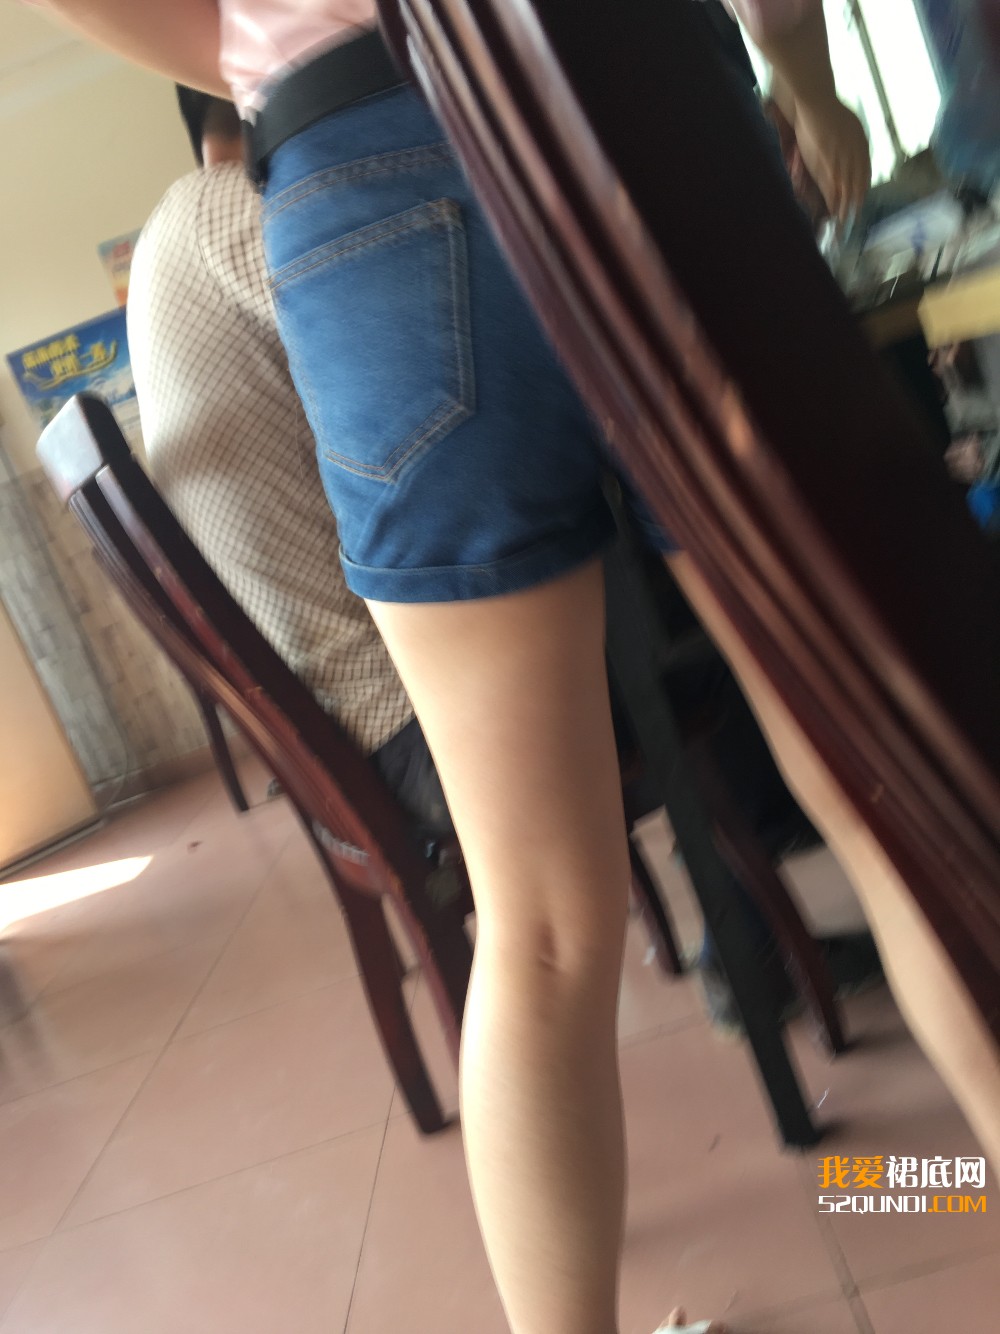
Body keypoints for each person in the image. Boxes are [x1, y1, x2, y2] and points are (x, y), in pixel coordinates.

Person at [34, 5, 1000, 1334]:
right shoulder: (209, 230)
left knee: (536, 921)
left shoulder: (192, 225)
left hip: (348, 142)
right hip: (623, 82)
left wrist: (276, 44)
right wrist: (797, 66)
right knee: (880, 793)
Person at [127, 86, 451, 835]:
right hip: (409, 732)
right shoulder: (229, 207)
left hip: (348, 743)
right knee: (678, 594)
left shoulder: (173, 235)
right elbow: (422, 359)